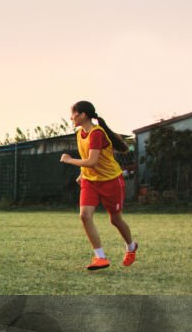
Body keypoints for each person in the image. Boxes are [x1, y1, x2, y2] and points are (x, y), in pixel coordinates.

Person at [59, 100, 137, 270]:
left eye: (73, 114)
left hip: (111, 181)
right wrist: (82, 175)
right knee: (85, 216)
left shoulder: (97, 133)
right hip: (90, 181)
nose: (71, 117)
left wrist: (69, 160)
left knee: (115, 220)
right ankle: (100, 257)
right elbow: (88, 158)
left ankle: (131, 246)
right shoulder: (80, 133)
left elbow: (92, 161)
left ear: (83, 115)